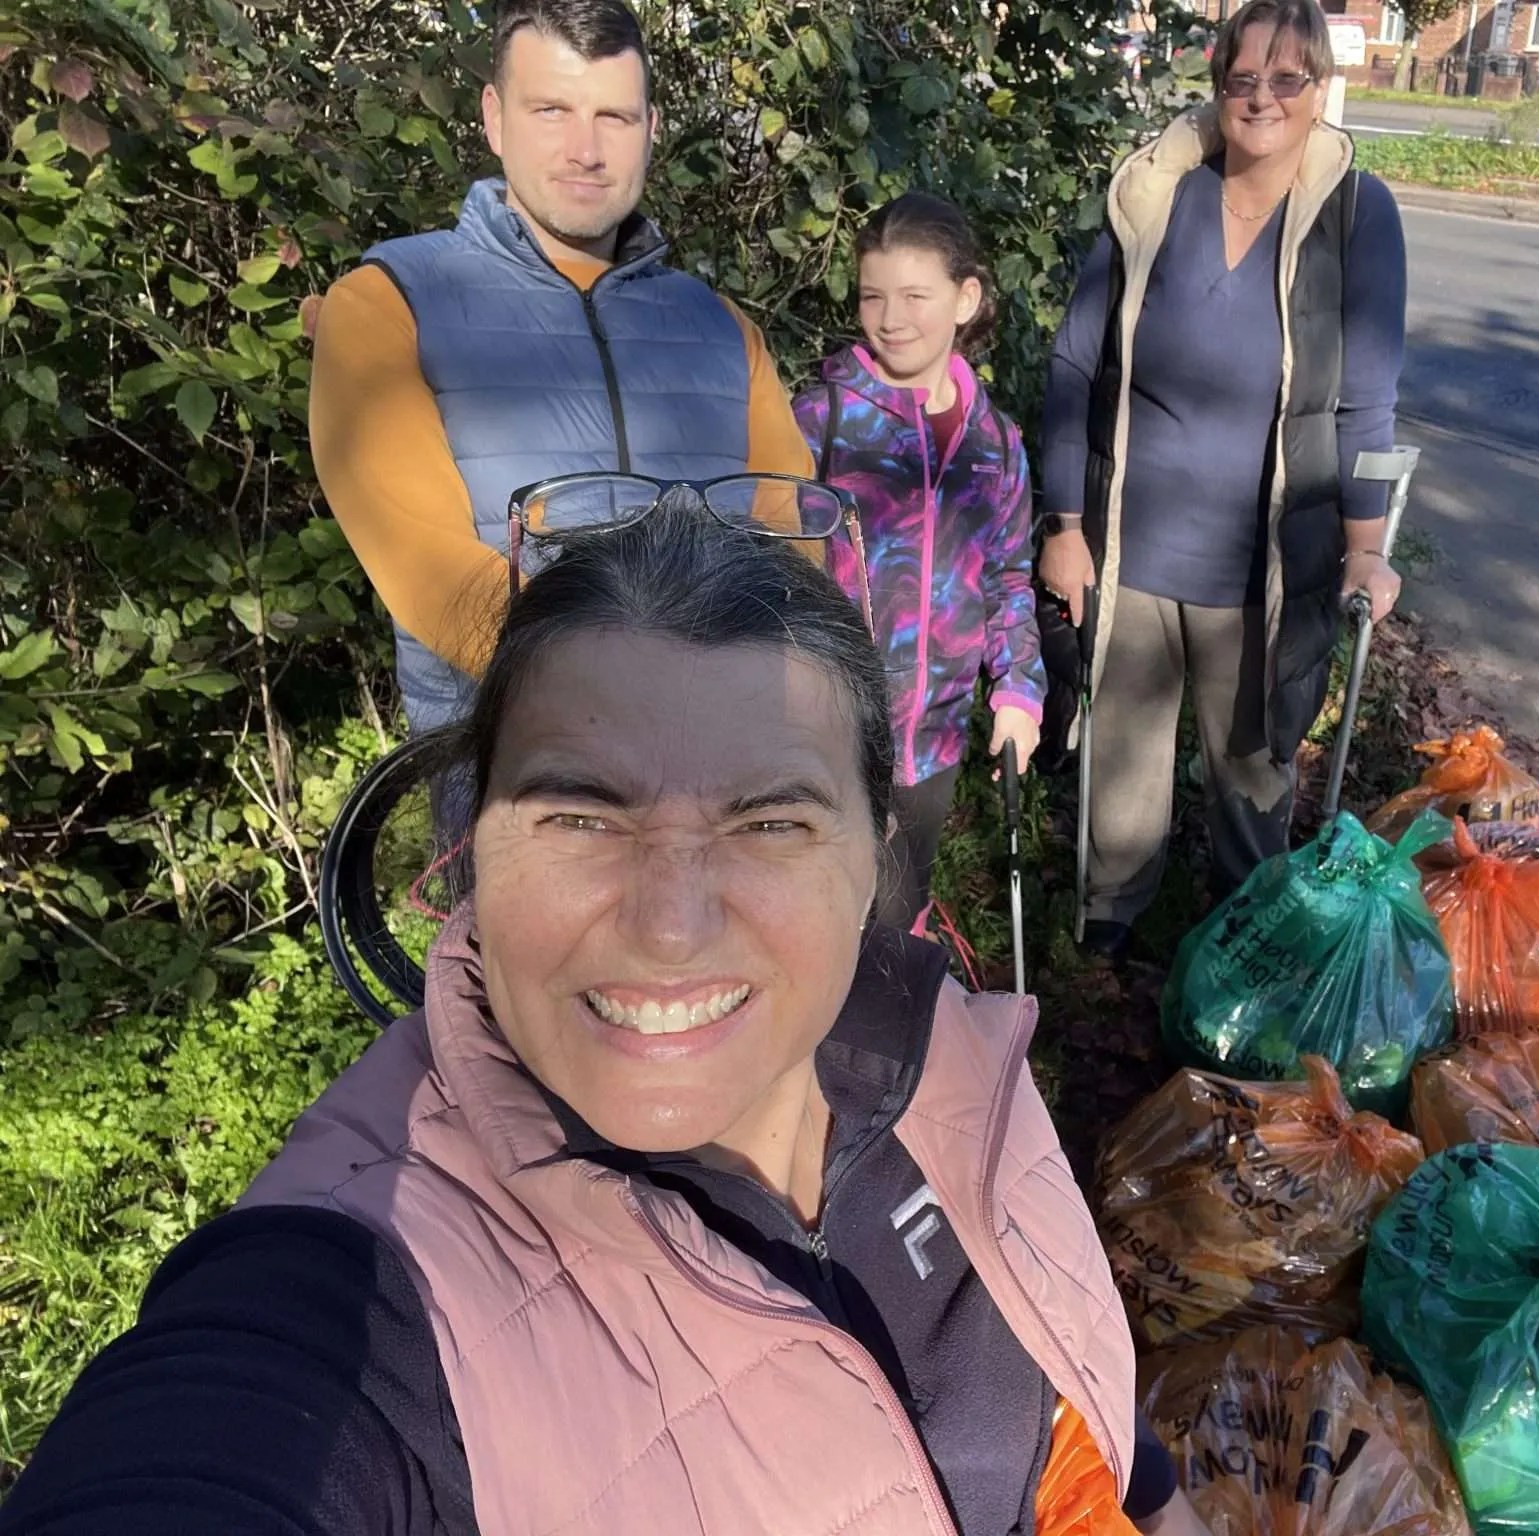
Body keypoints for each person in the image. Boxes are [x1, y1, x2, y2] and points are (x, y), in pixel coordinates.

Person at [0, 497, 1209, 1535]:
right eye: (581, 814)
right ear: (474, 854)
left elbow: (1055, 1366)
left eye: (769, 819)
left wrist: (1153, 1496)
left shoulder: (951, 1048)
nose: (669, 925)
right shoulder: (361, 1274)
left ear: (873, 863)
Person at [309, 0, 814, 735]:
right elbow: (432, 570)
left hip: (726, 761)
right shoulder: (388, 307)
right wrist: (624, 704)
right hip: (515, 779)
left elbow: (791, 549)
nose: (586, 149)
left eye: (614, 116)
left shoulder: (723, 330)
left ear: (651, 130)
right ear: (493, 117)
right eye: (552, 110)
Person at [1038, 0, 1408, 961]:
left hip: (1267, 568)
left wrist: (1366, 550)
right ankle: (1107, 943)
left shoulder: (1357, 216)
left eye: (1288, 79)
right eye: (1244, 78)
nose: (1264, 98)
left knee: (1253, 784)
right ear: (1217, 87)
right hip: (1137, 547)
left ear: (1321, 91)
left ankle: (1241, 962)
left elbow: (1367, 400)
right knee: (1119, 786)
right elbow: (1076, 362)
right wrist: (1065, 523)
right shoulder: (1157, 196)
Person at [792, 194, 1045, 932]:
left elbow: (1008, 580)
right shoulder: (823, 422)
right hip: (824, 733)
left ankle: (882, 1048)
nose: (890, 317)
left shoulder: (995, 444)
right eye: (873, 296)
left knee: (896, 929)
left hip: (931, 745)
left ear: (966, 299)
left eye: (914, 296)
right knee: (813, 928)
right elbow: (770, 566)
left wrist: (1019, 694)